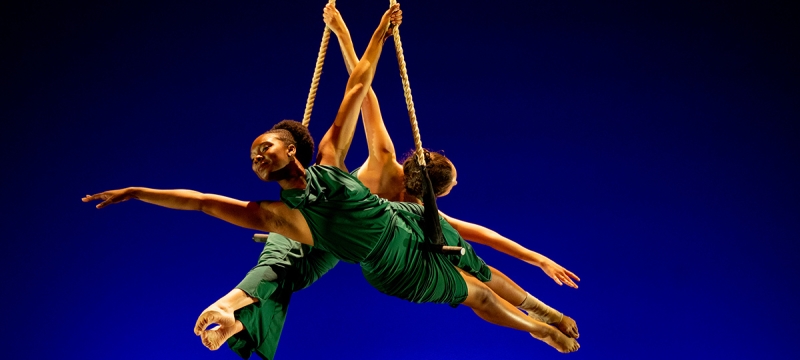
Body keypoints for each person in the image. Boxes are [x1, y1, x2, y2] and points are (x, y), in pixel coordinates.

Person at [83, 3, 580, 354]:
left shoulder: (395, 198)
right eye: (257, 151)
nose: (257, 152)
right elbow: (204, 202)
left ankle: (544, 316)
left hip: (390, 237)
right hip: (353, 246)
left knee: (472, 266)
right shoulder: (362, 172)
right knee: (284, 258)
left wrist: (373, 34)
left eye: (266, 146)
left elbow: (361, 88)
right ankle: (231, 311)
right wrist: (137, 192)